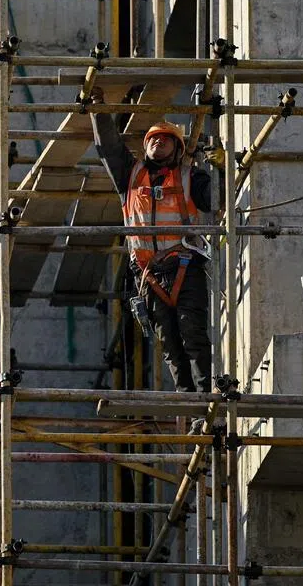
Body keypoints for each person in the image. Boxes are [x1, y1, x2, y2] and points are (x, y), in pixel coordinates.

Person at [88, 85, 220, 393]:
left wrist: (221, 170)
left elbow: (214, 200)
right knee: (170, 346)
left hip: (185, 267)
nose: (158, 143)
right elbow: (108, 147)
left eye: (165, 140)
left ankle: (203, 398)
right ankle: (188, 400)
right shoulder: (129, 176)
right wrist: (97, 109)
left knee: (193, 338)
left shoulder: (191, 176)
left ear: (176, 149)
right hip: (149, 275)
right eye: (153, 140)